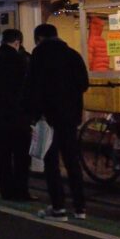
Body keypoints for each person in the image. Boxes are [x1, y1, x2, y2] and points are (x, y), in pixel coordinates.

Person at [30, 23, 89, 221]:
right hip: (70, 117)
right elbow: (83, 83)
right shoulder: (73, 55)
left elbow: (32, 86)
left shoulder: (38, 55)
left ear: (39, 38)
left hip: (49, 118)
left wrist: (34, 113)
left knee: (51, 163)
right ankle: (80, 208)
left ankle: (58, 208)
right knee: (73, 162)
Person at [0, 28, 35, 201]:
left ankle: (5, 191)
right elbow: (29, 86)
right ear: (17, 42)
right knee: (21, 156)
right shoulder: (22, 59)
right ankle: (21, 191)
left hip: (0, 113)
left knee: (4, 155)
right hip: (20, 114)